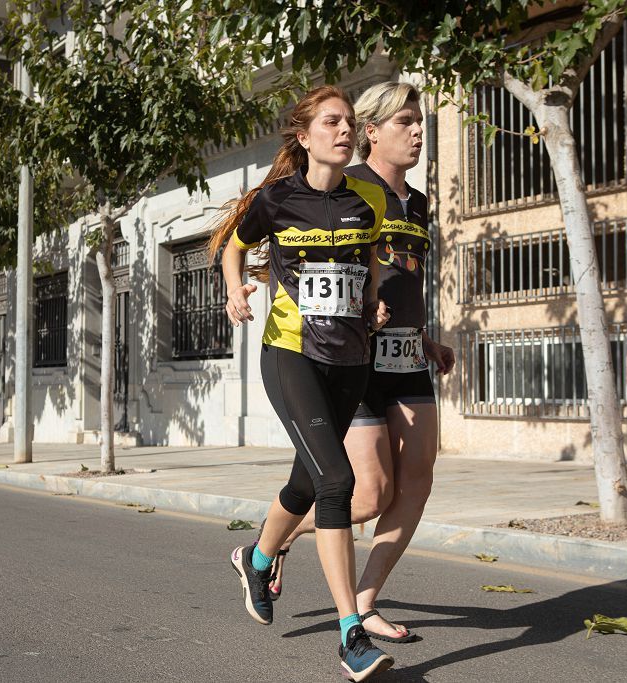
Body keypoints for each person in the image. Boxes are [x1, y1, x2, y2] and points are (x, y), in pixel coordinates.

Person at [264, 82, 457, 644]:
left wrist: (426, 336)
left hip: (409, 355)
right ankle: (270, 545)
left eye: (420, 122)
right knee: (367, 495)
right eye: (405, 122)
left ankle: (366, 600)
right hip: (355, 360)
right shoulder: (351, 187)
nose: (418, 132)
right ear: (370, 131)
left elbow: (404, 276)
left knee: (417, 479)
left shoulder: (417, 203)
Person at [213, 85, 394, 681]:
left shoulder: (369, 197)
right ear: (304, 135)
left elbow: (368, 262)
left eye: (350, 123)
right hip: (291, 354)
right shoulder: (276, 199)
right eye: (332, 122)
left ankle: (256, 557)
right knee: (337, 479)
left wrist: (372, 303)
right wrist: (234, 287)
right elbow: (234, 248)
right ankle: (350, 634)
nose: (345, 131)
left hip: (350, 359)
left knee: (306, 480)